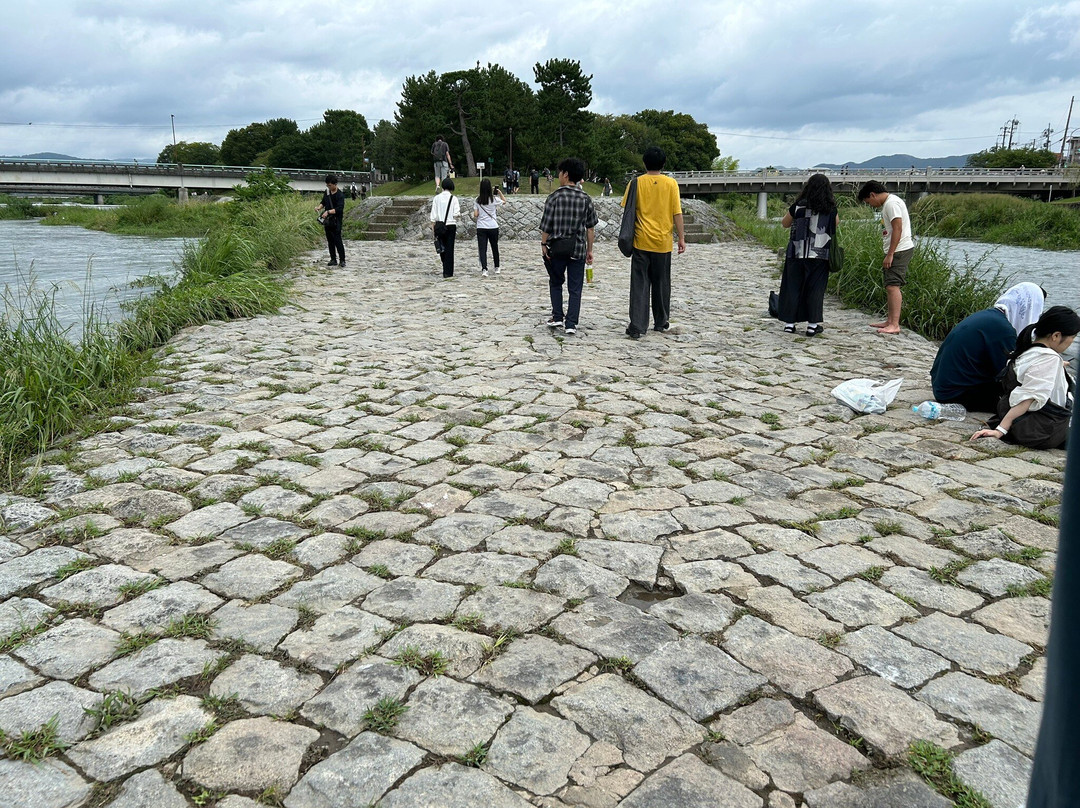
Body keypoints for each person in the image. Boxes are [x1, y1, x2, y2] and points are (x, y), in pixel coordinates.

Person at [971, 305, 1078, 450]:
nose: (1072, 341)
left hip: (1026, 422)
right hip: (1042, 430)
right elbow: (1028, 397)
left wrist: (1058, 366)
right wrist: (1000, 431)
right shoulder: (1049, 359)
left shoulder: (1026, 350)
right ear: (1056, 336)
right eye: (1073, 337)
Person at [930, 282, 1046, 412]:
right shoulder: (1003, 329)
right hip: (957, 394)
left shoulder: (990, 316)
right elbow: (1009, 373)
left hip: (943, 386)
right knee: (1029, 404)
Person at [621, 146, 686, 339]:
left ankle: (638, 325)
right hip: (663, 242)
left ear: (644, 163)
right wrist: (681, 238)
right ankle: (661, 321)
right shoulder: (671, 183)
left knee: (639, 284)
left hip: (641, 241)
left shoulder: (636, 183)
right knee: (662, 283)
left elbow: (627, 209)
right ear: (664, 164)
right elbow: (677, 212)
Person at [539, 157, 598, 336]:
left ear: (565, 174)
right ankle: (571, 323)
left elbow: (546, 225)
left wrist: (543, 244)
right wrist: (590, 250)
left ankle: (557, 316)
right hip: (578, 249)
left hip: (557, 248)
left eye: (560, 172)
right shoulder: (586, 198)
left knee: (556, 282)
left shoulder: (554, 197)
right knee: (575, 287)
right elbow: (590, 228)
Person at [778, 173, 838, 337]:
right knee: (816, 289)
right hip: (820, 254)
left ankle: (790, 324)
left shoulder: (798, 206)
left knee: (793, 287)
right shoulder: (830, 208)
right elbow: (836, 224)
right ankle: (812, 326)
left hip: (796, 253)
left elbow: (785, 224)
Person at [858, 180, 914, 335]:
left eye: (868, 202)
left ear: (872, 194)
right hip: (896, 250)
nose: (870, 205)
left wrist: (890, 254)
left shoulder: (891, 204)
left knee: (892, 286)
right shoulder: (890, 203)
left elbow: (898, 228)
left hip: (899, 250)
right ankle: (889, 321)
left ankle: (894, 324)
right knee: (889, 285)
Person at [472, 178, 507, 277]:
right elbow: (504, 201)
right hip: (493, 226)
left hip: (481, 227)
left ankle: (484, 269)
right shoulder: (494, 199)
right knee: (494, 247)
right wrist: (499, 192)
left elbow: (475, 214)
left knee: (482, 249)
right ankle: (497, 267)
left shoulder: (477, 200)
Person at [430, 177, 460, 279]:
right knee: (450, 248)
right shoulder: (454, 199)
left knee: (441, 247)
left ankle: (444, 266)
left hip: (439, 225)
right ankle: (448, 271)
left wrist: (433, 227)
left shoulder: (436, 198)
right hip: (451, 225)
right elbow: (456, 214)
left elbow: (433, 215)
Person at [316, 174, 345, 267]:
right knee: (330, 240)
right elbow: (323, 202)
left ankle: (342, 260)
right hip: (328, 221)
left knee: (338, 240)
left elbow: (340, 208)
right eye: (327, 185)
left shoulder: (340, 195)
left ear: (335, 184)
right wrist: (319, 207)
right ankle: (333, 259)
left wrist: (328, 212)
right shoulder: (327, 192)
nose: (328, 187)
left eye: (330, 185)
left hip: (336, 220)